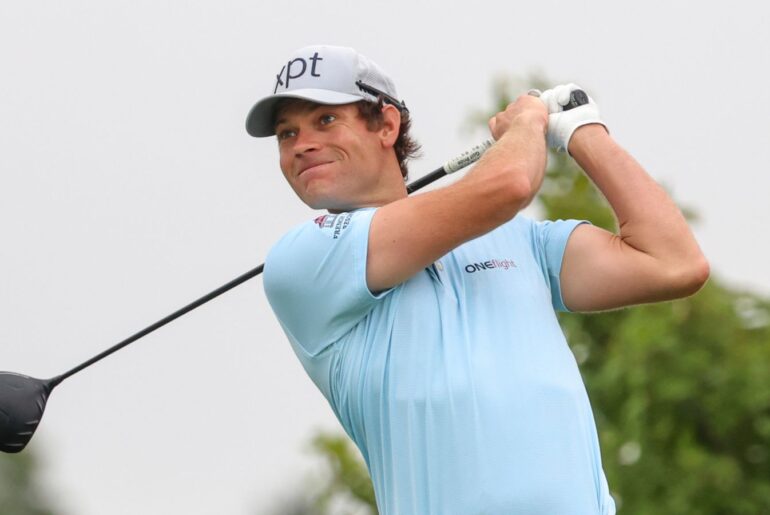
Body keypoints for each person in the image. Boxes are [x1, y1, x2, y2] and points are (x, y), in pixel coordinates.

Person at [246, 45, 709, 515]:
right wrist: (527, 122)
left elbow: (673, 264)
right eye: (287, 133)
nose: (301, 144)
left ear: (386, 125)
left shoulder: (519, 241)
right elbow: (508, 186)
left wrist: (581, 130)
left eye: (325, 121)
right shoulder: (302, 261)